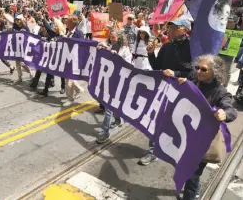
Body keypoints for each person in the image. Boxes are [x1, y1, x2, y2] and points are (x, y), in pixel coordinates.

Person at [178, 55, 237, 200]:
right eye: (197, 68)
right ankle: (194, 190)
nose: (198, 71)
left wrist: (225, 113)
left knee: (192, 174)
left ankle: (190, 196)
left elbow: (231, 110)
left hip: (202, 142)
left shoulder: (220, 92)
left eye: (203, 69)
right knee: (186, 170)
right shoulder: (194, 83)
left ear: (215, 72)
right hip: (187, 136)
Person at [138, 17, 192, 166]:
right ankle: (153, 151)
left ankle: (179, 153)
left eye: (176, 28)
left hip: (182, 93)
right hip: (164, 91)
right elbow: (157, 66)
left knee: (178, 125)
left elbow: (195, 73)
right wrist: (150, 54)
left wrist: (176, 73)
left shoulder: (193, 47)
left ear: (185, 30)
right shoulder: (167, 46)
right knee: (156, 120)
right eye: (171, 27)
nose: (171, 30)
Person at [96, 29, 132, 143]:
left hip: (120, 81)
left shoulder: (125, 50)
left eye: (114, 37)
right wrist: (102, 48)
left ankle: (105, 131)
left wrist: (117, 57)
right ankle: (118, 120)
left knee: (108, 106)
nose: (112, 39)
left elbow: (128, 65)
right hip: (110, 80)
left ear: (120, 38)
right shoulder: (110, 47)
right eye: (111, 37)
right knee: (112, 104)